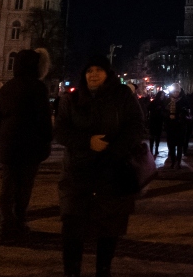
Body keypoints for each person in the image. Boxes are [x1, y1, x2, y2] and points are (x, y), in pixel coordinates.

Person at [54, 55, 145, 277]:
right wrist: (87, 142)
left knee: (108, 227)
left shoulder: (122, 96)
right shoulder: (72, 99)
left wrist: (113, 149)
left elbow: (135, 126)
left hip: (111, 173)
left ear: (108, 73)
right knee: (72, 226)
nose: (93, 74)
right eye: (89, 71)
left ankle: (103, 269)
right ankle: (71, 271)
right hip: (77, 173)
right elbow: (61, 130)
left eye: (98, 70)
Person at [0, 49, 53, 244]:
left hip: (9, 143)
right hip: (30, 144)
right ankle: (18, 222)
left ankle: (5, 224)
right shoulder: (37, 87)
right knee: (24, 186)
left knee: (8, 185)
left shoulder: (7, 87)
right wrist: (47, 138)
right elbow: (43, 118)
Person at [163, 85, 190, 168]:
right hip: (170, 126)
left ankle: (178, 161)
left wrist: (182, 114)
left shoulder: (184, 101)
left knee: (179, 145)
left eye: (177, 92)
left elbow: (187, 112)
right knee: (171, 145)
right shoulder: (168, 100)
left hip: (180, 126)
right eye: (174, 92)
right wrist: (167, 115)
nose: (176, 93)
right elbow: (163, 112)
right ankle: (173, 161)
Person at [148, 90, 166, 156]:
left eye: (163, 96)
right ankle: (152, 149)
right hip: (154, 121)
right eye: (161, 96)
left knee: (157, 137)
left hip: (158, 122)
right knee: (152, 137)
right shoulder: (154, 103)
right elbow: (149, 109)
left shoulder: (162, 103)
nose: (162, 97)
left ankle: (156, 149)